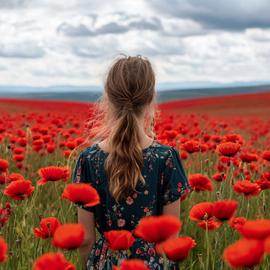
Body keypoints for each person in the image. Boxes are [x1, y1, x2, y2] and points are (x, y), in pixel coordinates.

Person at [72, 54, 192, 270]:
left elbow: (86, 239)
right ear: (150, 99)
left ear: (108, 98)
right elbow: (171, 238)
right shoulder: (166, 158)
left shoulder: (88, 160)